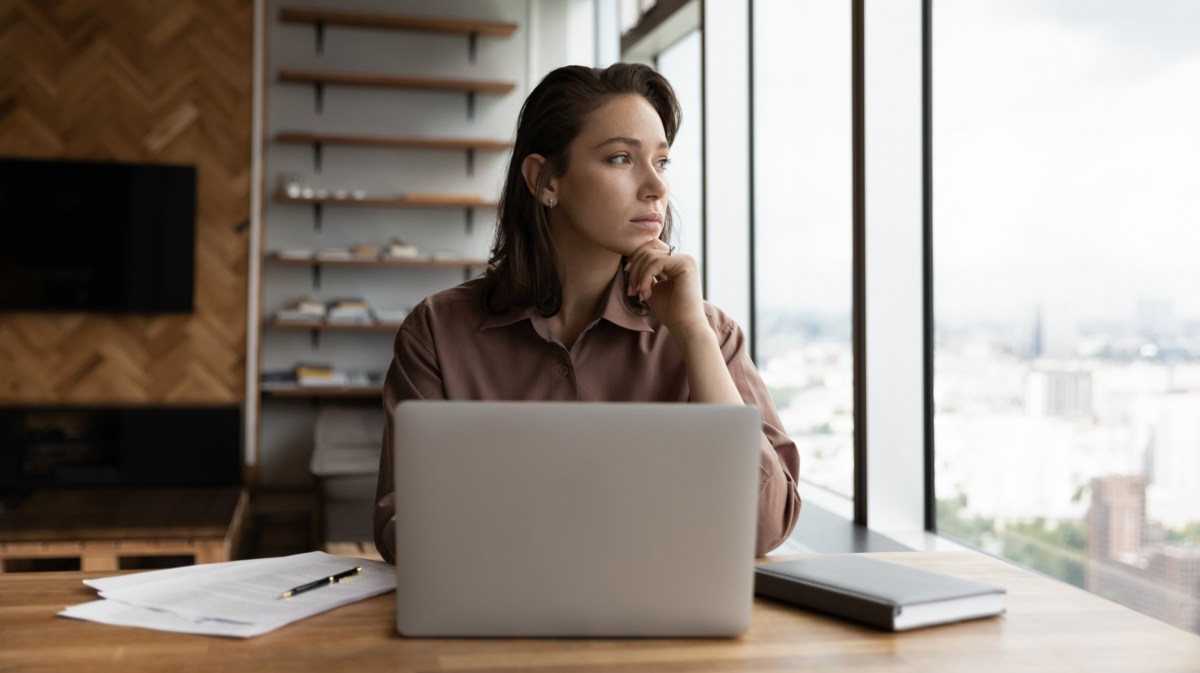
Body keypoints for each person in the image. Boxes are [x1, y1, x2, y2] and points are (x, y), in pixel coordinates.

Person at [373, 62, 801, 561]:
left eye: (661, 162)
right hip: (494, 627)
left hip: (665, 630)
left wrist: (691, 332)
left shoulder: (710, 332)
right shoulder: (437, 332)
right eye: (622, 158)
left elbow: (765, 526)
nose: (656, 188)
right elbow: (401, 526)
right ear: (545, 180)